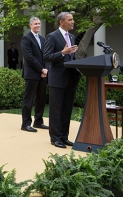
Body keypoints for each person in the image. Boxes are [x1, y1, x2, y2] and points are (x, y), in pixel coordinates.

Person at [43, 12, 81, 149]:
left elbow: (71, 58)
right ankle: (55, 138)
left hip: (70, 78)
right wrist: (63, 53)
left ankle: (64, 136)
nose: (73, 22)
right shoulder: (52, 37)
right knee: (56, 110)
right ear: (61, 22)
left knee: (66, 109)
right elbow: (47, 56)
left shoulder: (71, 36)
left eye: (73, 19)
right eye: (70, 20)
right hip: (57, 79)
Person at [20, 17, 49, 133]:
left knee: (41, 99)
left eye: (39, 24)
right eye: (35, 24)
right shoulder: (26, 39)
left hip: (43, 74)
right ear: (30, 25)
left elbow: (46, 55)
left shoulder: (42, 39)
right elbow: (29, 57)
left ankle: (38, 121)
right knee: (29, 99)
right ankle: (26, 124)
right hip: (32, 74)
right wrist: (41, 69)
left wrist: (45, 69)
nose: (38, 25)